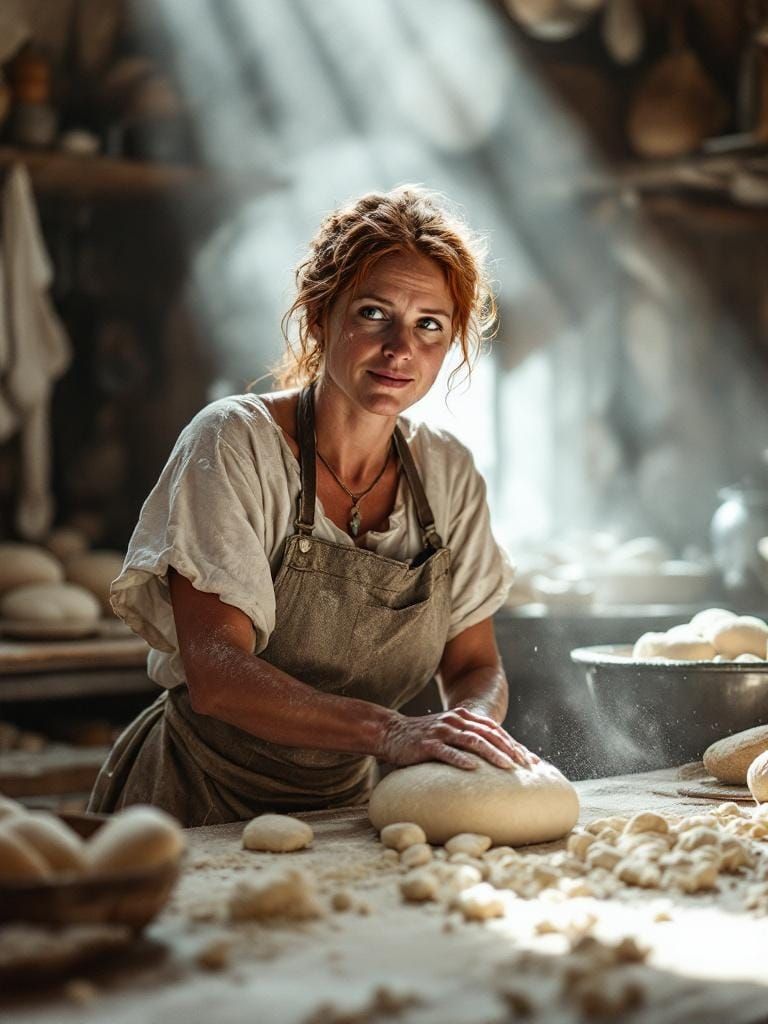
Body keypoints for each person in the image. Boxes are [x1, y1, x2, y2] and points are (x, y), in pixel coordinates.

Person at [89, 185, 538, 827]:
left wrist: (469, 724)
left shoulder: (447, 472)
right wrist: (391, 732)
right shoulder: (234, 444)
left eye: (429, 325)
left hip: (346, 811)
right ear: (322, 315)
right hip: (195, 803)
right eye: (374, 313)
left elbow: (472, 665)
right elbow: (216, 672)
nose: (400, 348)